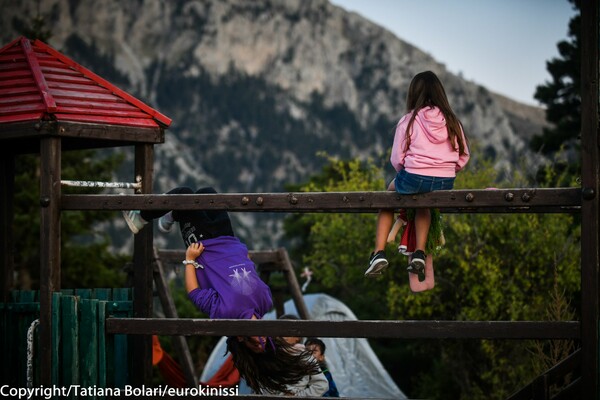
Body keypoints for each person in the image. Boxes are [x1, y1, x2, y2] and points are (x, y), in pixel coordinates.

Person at [122, 186, 325, 394]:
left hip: (204, 246)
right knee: (207, 193)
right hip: (229, 240)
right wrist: (245, 259)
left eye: (255, 345)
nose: (261, 340)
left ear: (240, 339)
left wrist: (189, 260)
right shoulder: (265, 303)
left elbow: (194, 292)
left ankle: (141, 219)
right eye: (266, 343)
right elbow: (251, 277)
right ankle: (173, 214)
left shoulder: (226, 314)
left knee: (183, 194)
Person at [365, 71, 470, 281]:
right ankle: (419, 254)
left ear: (414, 94)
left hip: (413, 177)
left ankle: (378, 253)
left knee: (388, 197)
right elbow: (463, 155)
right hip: (444, 182)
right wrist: (448, 170)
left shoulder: (409, 120)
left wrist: (406, 171)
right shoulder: (452, 121)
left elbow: (396, 158)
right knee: (425, 203)